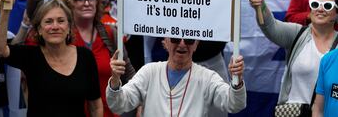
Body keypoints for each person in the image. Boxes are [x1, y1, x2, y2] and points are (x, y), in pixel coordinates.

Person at [0, 0, 103, 116]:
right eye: (48, 21)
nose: (55, 26)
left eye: (61, 21)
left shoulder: (85, 56)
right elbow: (0, 50)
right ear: (39, 29)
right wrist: (5, 12)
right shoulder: (30, 55)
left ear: (69, 27)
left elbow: (95, 105)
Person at [249, 0, 338, 107]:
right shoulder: (297, 33)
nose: (320, 9)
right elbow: (270, 26)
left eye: (327, 6)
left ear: (337, 13)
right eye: (315, 4)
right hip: (293, 112)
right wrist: (261, 6)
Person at [106, 39, 247, 116]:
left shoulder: (208, 77)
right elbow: (118, 105)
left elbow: (234, 104)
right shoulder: (149, 72)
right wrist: (115, 81)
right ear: (165, 43)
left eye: (189, 40)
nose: (182, 44)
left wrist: (237, 80)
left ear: (196, 45)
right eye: (175, 39)